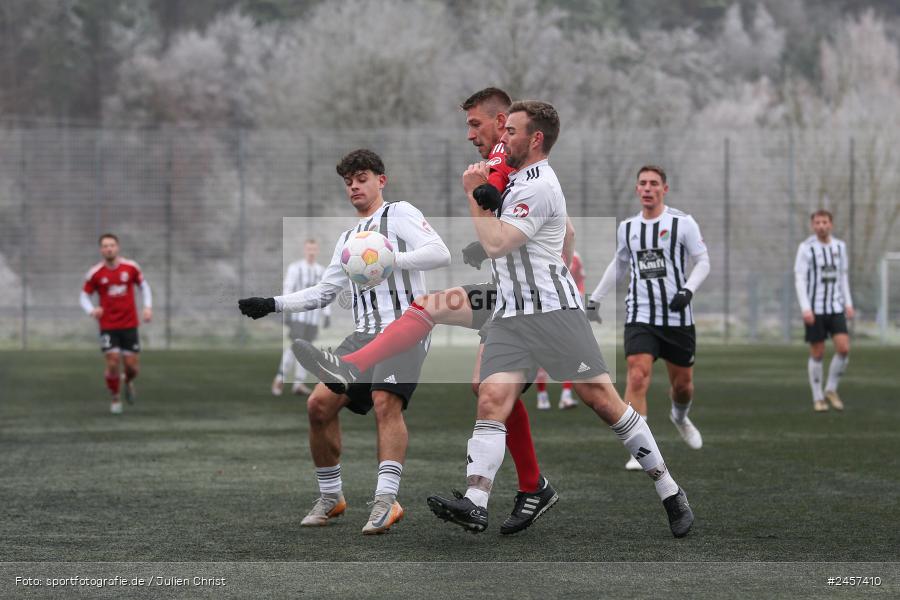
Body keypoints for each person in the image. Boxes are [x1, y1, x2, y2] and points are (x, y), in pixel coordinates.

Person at [290, 88, 564, 534]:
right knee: (477, 382)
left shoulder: (510, 167)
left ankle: (658, 485)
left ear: (503, 123)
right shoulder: (499, 166)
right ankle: (521, 489)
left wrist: (552, 279)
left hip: (527, 299)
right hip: (499, 292)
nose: (471, 134)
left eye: (477, 124)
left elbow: (524, 230)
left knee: (589, 397)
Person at [427, 102, 694, 538]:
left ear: (535, 139)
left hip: (554, 313)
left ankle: (670, 490)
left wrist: (473, 195)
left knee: (605, 403)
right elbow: (566, 233)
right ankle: (475, 501)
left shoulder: (539, 184)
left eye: (510, 131)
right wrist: (545, 259)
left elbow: (497, 244)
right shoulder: (514, 178)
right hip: (513, 314)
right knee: (491, 397)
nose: (501, 138)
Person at [238, 149, 451, 534]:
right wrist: (273, 303)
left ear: (380, 180)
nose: (354, 185)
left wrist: (389, 259)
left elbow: (440, 253)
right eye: (349, 180)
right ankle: (331, 496)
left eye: (362, 177)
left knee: (386, 403)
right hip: (364, 333)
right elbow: (324, 291)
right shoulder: (348, 238)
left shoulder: (399, 213)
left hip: (408, 326)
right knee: (318, 405)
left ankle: (386, 501)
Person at [588, 166, 710, 471]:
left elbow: (703, 261)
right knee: (637, 374)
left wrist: (688, 290)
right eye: (642, 183)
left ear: (664, 189)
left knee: (683, 387)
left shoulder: (683, 223)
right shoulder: (628, 228)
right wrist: (595, 300)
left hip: (678, 318)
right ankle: (639, 448)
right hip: (640, 314)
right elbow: (618, 265)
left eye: (654, 183)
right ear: (637, 189)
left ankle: (680, 417)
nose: (647, 188)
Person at [80, 233, 152, 414]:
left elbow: (144, 287)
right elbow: (83, 295)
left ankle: (127, 381)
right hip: (108, 326)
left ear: (117, 247)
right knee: (112, 362)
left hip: (129, 324)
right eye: (105, 246)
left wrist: (147, 307)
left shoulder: (131, 268)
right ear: (101, 250)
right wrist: (91, 310)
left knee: (132, 367)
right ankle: (115, 397)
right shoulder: (95, 273)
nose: (109, 248)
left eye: (112, 245)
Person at [793, 209, 853, 412]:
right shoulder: (806, 248)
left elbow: (843, 276)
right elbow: (799, 278)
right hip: (815, 309)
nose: (821, 226)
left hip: (835, 306)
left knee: (844, 349)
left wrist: (848, 302)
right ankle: (818, 397)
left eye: (824, 222)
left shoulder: (840, 247)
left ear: (831, 224)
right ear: (813, 226)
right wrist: (805, 307)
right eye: (817, 222)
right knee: (818, 352)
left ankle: (831, 389)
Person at [272, 239, 330, 396]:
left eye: (314, 249)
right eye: (309, 248)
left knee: (306, 349)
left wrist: (327, 314)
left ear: (317, 251)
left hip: (312, 319)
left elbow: (325, 292)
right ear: (305, 250)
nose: (311, 251)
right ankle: (279, 378)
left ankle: (298, 383)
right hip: (297, 317)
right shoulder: (295, 268)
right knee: (294, 347)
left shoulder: (321, 271)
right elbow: (288, 289)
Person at [535, 249, 583, 410]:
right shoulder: (539, 252)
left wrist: (579, 299)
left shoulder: (574, 256)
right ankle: (542, 397)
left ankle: (566, 396)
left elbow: (579, 280)